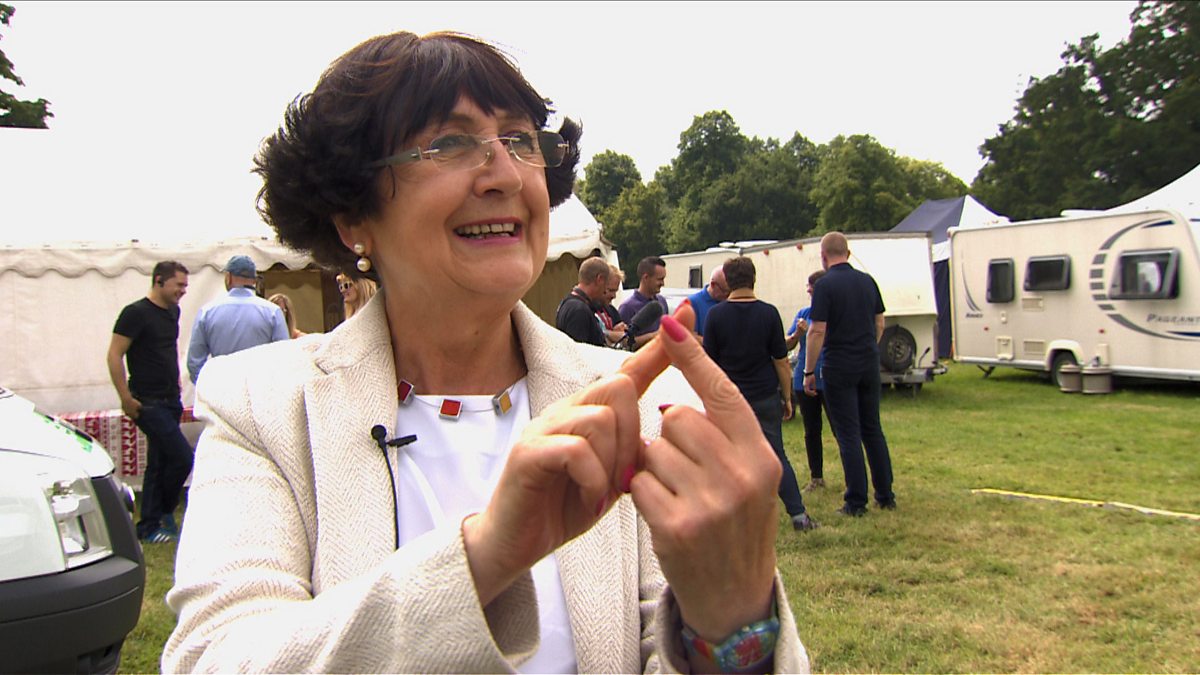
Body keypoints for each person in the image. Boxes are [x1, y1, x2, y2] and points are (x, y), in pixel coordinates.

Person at [163, 31, 807, 673]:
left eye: (521, 140)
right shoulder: (263, 407)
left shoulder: (640, 403)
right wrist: (486, 556)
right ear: (353, 216)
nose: (506, 174)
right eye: (450, 143)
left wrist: (730, 626)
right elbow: (216, 657)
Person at [703, 256, 817, 532]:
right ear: (754, 279)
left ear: (728, 281)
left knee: (727, 458)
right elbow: (781, 360)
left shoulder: (716, 315)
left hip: (729, 398)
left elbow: (708, 363)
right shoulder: (768, 313)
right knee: (775, 455)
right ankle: (798, 515)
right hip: (764, 395)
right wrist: (787, 397)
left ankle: (728, 519)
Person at [804, 232, 896, 517]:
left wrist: (809, 370)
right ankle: (885, 494)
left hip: (840, 363)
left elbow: (817, 330)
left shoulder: (825, 285)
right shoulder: (867, 281)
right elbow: (879, 322)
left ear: (823, 256)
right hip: (868, 361)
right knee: (872, 429)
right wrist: (869, 347)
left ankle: (856, 501)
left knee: (848, 434)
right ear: (848, 252)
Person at [105, 260, 194, 544]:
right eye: (179, 285)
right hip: (147, 401)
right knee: (182, 457)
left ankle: (149, 525)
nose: (183, 291)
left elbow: (166, 352)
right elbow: (114, 354)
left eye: (185, 286)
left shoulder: (173, 312)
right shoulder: (135, 313)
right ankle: (162, 512)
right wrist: (125, 398)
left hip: (171, 399)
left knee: (158, 462)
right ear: (159, 281)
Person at [186, 255, 290, 383]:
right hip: (259, 387)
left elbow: (194, 362)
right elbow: (283, 358)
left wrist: (206, 387)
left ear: (228, 277)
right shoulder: (272, 312)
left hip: (221, 386)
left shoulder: (207, 312)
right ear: (254, 281)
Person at [786, 269, 831, 491]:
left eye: (812, 288)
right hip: (803, 379)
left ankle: (853, 479)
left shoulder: (834, 312)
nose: (808, 291)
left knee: (841, 430)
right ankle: (816, 477)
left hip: (830, 377)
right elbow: (786, 345)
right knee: (811, 430)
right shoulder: (804, 313)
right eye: (808, 288)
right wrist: (797, 334)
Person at [553, 256, 609, 346]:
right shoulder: (579, 310)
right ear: (600, 279)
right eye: (606, 284)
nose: (605, 291)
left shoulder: (567, 303)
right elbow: (578, 351)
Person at [618, 256, 669, 349]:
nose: (663, 283)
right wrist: (653, 336)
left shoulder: (662, 302)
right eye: (659, 279)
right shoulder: (627, 307)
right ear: (646, 278)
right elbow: (624, 342)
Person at [688, 266, 729, 341]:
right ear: (713, 285)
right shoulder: (693, 302)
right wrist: (714, 343)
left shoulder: (728, 301)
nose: (727, 296)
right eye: (725, 291)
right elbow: (690, 336)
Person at [597, 263, 628, 346]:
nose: (614, 296)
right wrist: (611, 334)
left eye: (615, 291)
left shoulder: (611, 310)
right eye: (610, 290)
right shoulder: (586, 310)